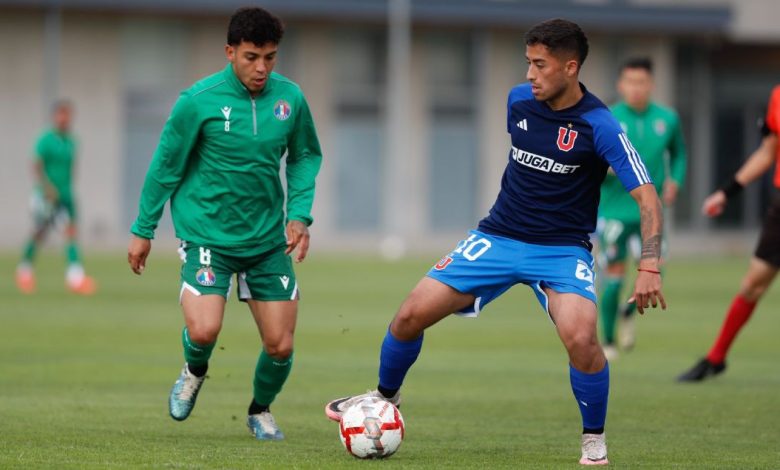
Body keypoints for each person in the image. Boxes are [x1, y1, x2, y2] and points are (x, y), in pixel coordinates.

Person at [325, 19, 666, 465]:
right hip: (498, 237)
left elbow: (648, 198)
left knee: (583, 339)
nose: (529, 74)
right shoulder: (519, 101)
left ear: (570, 67)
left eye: (540, 65)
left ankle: (593, 442)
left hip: (561, 250)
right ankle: (384, 398)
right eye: (528, 63)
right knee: (409, 315)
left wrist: (649, 265)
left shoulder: (601, 126)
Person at [126, 7, 322, 440]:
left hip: (267, 240)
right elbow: (166, 165)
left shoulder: (291, 99)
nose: (262, 68)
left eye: (270, 57)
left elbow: (306, 155)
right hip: (207, 235)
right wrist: (143, 229)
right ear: (230, 52)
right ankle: (195, 370)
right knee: (204, 329)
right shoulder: (198, 101)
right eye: (252, 57)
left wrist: (299, 214)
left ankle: (260, 410)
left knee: (281, 345)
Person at [678, 85, 779, 382]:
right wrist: (726, 192)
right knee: (751, 286)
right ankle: (716, 357)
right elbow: (767, 153)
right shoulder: (776, 96)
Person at [597, 58, 687, 360]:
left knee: (652, 272)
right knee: (614, 277)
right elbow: (590, 159)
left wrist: (675, 180)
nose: (636, 88)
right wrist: (604, 168)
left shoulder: (667, 119)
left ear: (651, 85)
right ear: (620, 85)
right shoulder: (607, 118)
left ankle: (627, 312)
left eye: (642, 82)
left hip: (650, 214)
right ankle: (608, 341)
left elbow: (679, 155)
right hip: (614, 213)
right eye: (630, 82)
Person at [15, 100, 97, 295]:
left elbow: (72, 168)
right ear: (54, 116)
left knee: (70, 232)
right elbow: (36, 164)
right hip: (45, 196)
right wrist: (46, 187)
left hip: (64, 196)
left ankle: (75, 278)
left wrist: (68, 190)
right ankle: (24, 271)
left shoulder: (72, 141)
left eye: (68, 115)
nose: (65, 119)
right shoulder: (45, 140)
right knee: (38, 233)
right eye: (61, 114)